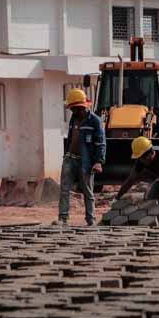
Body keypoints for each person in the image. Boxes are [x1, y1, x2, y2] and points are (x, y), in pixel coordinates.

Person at [54, 88, 106, 226]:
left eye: (73, 108)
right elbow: (71, 138)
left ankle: (91, 220)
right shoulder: (74, 119)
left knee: (88, 191)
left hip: (86, 162)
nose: (71, 111)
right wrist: (66, 155)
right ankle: (63, 218)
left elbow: (101, 143)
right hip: (70, 158)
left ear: (80, 107)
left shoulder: (95, 121)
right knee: (64, 189)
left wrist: (99, 161)